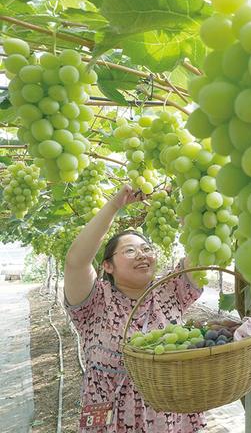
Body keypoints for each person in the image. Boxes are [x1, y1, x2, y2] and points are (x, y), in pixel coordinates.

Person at [64, 185, 206, 432]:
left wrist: (184, 203)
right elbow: (76, 261)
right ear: (107, 266)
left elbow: (201, 250)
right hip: (107, 418)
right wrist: (114, 205)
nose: (142, 255)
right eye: (130, 250)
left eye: (147, 249)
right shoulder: (95, 300)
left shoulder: (170, 290)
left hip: (168, 417)